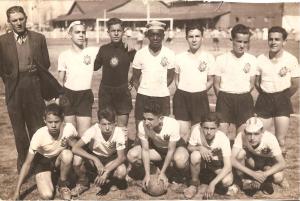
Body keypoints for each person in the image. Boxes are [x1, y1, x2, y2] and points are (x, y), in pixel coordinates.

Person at [0, 6, 50, 172]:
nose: (18, 23)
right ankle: (24, 165)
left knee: (37, 128)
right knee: (19, 131)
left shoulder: (39, 38)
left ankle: (41, 165)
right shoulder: (2, 41)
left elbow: (46, 63)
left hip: (34, 88)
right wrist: (10, 81)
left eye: (21, 19)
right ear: (9, 22)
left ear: (26, 18)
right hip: (14, 90)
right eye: (14, 20)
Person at [57, 21, 98, 196]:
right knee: (69, 134)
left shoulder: (92, 52)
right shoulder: (64, 55)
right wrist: (60, 96)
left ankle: (82, 173)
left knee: (84, 136)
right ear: (70, 35)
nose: (81, 35)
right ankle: (67, 171)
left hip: (84, 95)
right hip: (68, 95)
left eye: (83, 32)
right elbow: (60, 79)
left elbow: (108, 52)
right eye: (77, 32)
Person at [13, 103, 78, 200]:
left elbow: (77, 142)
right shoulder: (39, 135)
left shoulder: (69, 128)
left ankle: (62, 185)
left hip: (58, 159)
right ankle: (46, 176)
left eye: (56, 121)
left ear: (62, 119)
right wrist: (17, 190)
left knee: (67, 155)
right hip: (43, 162)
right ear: (44, 120)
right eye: (50, 122)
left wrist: (70, 144)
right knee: (47, 195)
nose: (53, 125)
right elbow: (27, 163)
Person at [254, 26, 300, 155]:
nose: (273, 42)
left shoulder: (291, 60)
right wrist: (266, 93)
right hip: (264, 99)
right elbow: (257, 82)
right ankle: (263, 168)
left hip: (282, 99)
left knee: (281, 140)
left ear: (284, 42)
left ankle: (279, 171)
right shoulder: (261, 59)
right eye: (271, 39)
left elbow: (295, 84)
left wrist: (283, 96)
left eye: (277, 39)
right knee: (261, 137)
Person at [127, 101, 189, 190]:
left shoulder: (172, 124)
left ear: (160, 118)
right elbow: (145, 150)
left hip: (175, 149)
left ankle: (180, 176)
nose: (146, 122)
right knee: (132, 155)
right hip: (158, 150)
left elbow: (171, 150)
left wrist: (162, 173)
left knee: (180, 160)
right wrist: (147, 174)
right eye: (144, 118)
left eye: (150, 119)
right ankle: (154, 171)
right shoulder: (142, 125)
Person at [131, 20, 175, 140]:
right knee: (141, 128)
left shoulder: (170, 54)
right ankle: (140, 152)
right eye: (152, 34)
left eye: (159, 35)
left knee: (164, 129)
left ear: (163, 36)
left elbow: (170, 77)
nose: (155, 37)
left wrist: (158, 88)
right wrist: (145, 89)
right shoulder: (140, 54)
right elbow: (135, 78)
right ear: (147, 36)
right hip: (143, 96)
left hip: (162, 96)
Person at [94, 18, 136, 144]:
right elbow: (94, 66)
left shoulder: (129, 49)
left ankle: (122, 155)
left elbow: (141, 66)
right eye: (113, 31)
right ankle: (107, 154)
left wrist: (132, 80)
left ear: (123, 32)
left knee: (122, 128)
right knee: (106, 126)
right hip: (106, 91)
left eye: (119, 30)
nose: (116, 33)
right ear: (108, 32)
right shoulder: (103, 49)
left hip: (122, 91)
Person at [214, 24, 257, 142]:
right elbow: (216, 84)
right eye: (239, 41)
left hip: (244, 98)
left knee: (241, 137)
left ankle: (237, 159)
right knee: (221, 135)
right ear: (232, 39)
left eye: (245, 42)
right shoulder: (221, 59)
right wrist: (224, 97)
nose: (242, 45)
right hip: (225, 98)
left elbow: (252, 83)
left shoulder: (252, 59)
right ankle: (222, 159)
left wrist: (241, 94)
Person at [173, 23, 215, 144]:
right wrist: (184, 90)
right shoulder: (179, 57)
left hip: (200, 97)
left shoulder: (209, 57)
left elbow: (210, 80)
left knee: (199, 134)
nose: (194, 39)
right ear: (186, 38)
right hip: (182, 97)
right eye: (191, 36)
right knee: (182, 134)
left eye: (197, 36)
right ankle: (181, 159)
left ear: (202, 37)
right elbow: (177, 79)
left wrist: (200, 90)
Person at [72, 107, 127, 196]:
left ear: (115, 124)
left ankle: (110, 181)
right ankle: (83, 181)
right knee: (77, 159)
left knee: (122, 172)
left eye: (110, 124)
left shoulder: (118, 132)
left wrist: (107, 171)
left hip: (110, 158)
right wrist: (95, 159)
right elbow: (75, 148)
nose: (107, 128)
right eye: (104, 124)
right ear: (99, 124)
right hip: (94, 156)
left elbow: (121, 157)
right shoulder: (94, 129)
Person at [231, 116, 288, 194]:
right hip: (253, 160)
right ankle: (243, 180)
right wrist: (252, 173)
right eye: (249, 133)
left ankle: (266, 181)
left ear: (262, 132)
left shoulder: (270, 138)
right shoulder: (241, 135)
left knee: (278, 178)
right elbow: (231, 159)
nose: (252, 138)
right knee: (240, 153)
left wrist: (264, 174)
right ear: (245, 131)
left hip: (268, 163)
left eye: (256, 134)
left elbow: (282, 163)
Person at [183, 112, 233, 199]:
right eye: (206, 128)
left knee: (227, 181)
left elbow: (228, 166)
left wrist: (212, 184)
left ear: (217, 128)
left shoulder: (223, 138)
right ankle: (194, 184)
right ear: (201, 126)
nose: (208, 132)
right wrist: (199, 148)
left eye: (212, 128)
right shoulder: (197, 130)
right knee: (195, 156)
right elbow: (189, 147)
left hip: (216, 165)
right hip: (203, 162)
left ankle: (211, 181)